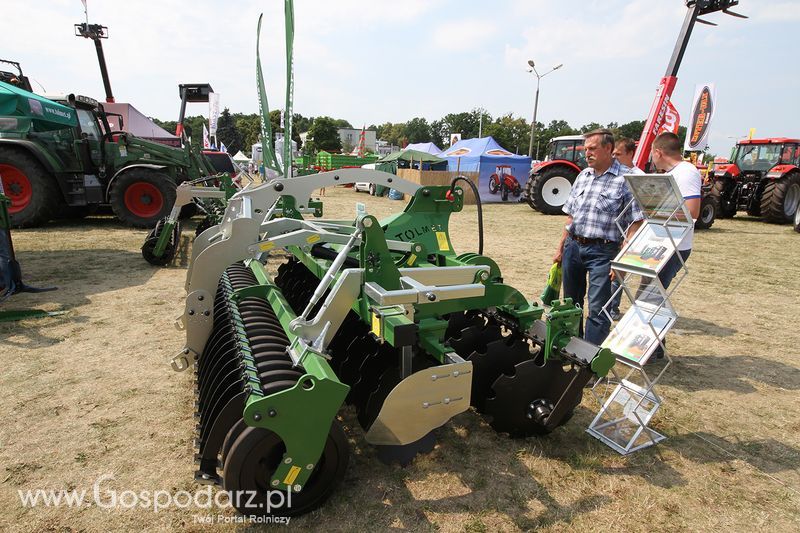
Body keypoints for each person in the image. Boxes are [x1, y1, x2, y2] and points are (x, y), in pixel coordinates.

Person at [553, 129, 644, 345]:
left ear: (608, 149)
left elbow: (636, 221)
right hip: (574, 247)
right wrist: (561, 247)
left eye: (592, 148)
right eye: (586, 149)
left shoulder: (625, 179)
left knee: (598, 308)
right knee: (570, 304)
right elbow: (571, 216)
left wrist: (623, 258)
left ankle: (589, 360)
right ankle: (571, 348)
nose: (587, 153)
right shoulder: (583, 176)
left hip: (603, 252)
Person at [608, 137, 644, 320]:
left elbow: (641, 212)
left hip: (629, 233)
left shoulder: (638, 177)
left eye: (618, 154)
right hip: (613, 233)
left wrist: (630, 238)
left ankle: (613, 308)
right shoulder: (613, 174)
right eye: (613, 153)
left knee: (619, 272)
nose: (614, 157)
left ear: (630, 153)